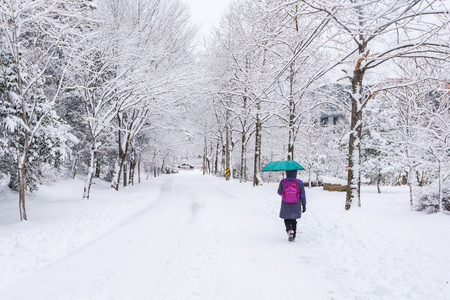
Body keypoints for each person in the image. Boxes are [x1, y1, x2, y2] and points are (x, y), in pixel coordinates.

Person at [277, 169, 306, 242]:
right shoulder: (299, 182)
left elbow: (279, 192)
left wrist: (285, 194)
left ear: (287, 173)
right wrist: (304, 204)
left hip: (285, 204)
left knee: (286, 219)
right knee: (294, 219)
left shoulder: (283, 182)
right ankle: (293, 236)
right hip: (296, 204)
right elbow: (302, 194)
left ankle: (289, 230)